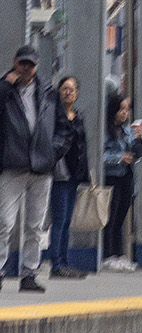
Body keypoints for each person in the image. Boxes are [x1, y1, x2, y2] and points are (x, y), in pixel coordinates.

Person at [0, 45, 65, 293]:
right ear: (14, 62)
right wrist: (6, 86)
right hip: (12, 165)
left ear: (36, 66)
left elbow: (63, 127)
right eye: (22, 63)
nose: (26, 68)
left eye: (30, 64)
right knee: (4, 222)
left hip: (41, 167)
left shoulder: (48, 92)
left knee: (35, 225)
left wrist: (53, 151)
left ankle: (29, 273)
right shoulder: (5, 90)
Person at [48, 75, 91, 279]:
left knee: (66, 220)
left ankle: (64, 262)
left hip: (74, 173)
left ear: (77, 93)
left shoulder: (78, 116)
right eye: (64, 88)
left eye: (72, 89)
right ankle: (56, 264)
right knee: (59, 219)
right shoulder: (53, 116)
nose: (68, 92)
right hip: (59, 173)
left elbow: (82, 147)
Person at [100, 93, 142, 272]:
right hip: (111, 176)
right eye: (121, 109)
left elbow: (140, 153)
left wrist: (140, 140)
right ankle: (108, 254)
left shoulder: (127, 130)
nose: (124, 113)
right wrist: (119, 158)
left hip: (127, 177)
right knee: (110, 217)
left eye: (127, 109)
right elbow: (99, 156)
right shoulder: (105, 130)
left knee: (121, 217)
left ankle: (119, 254)